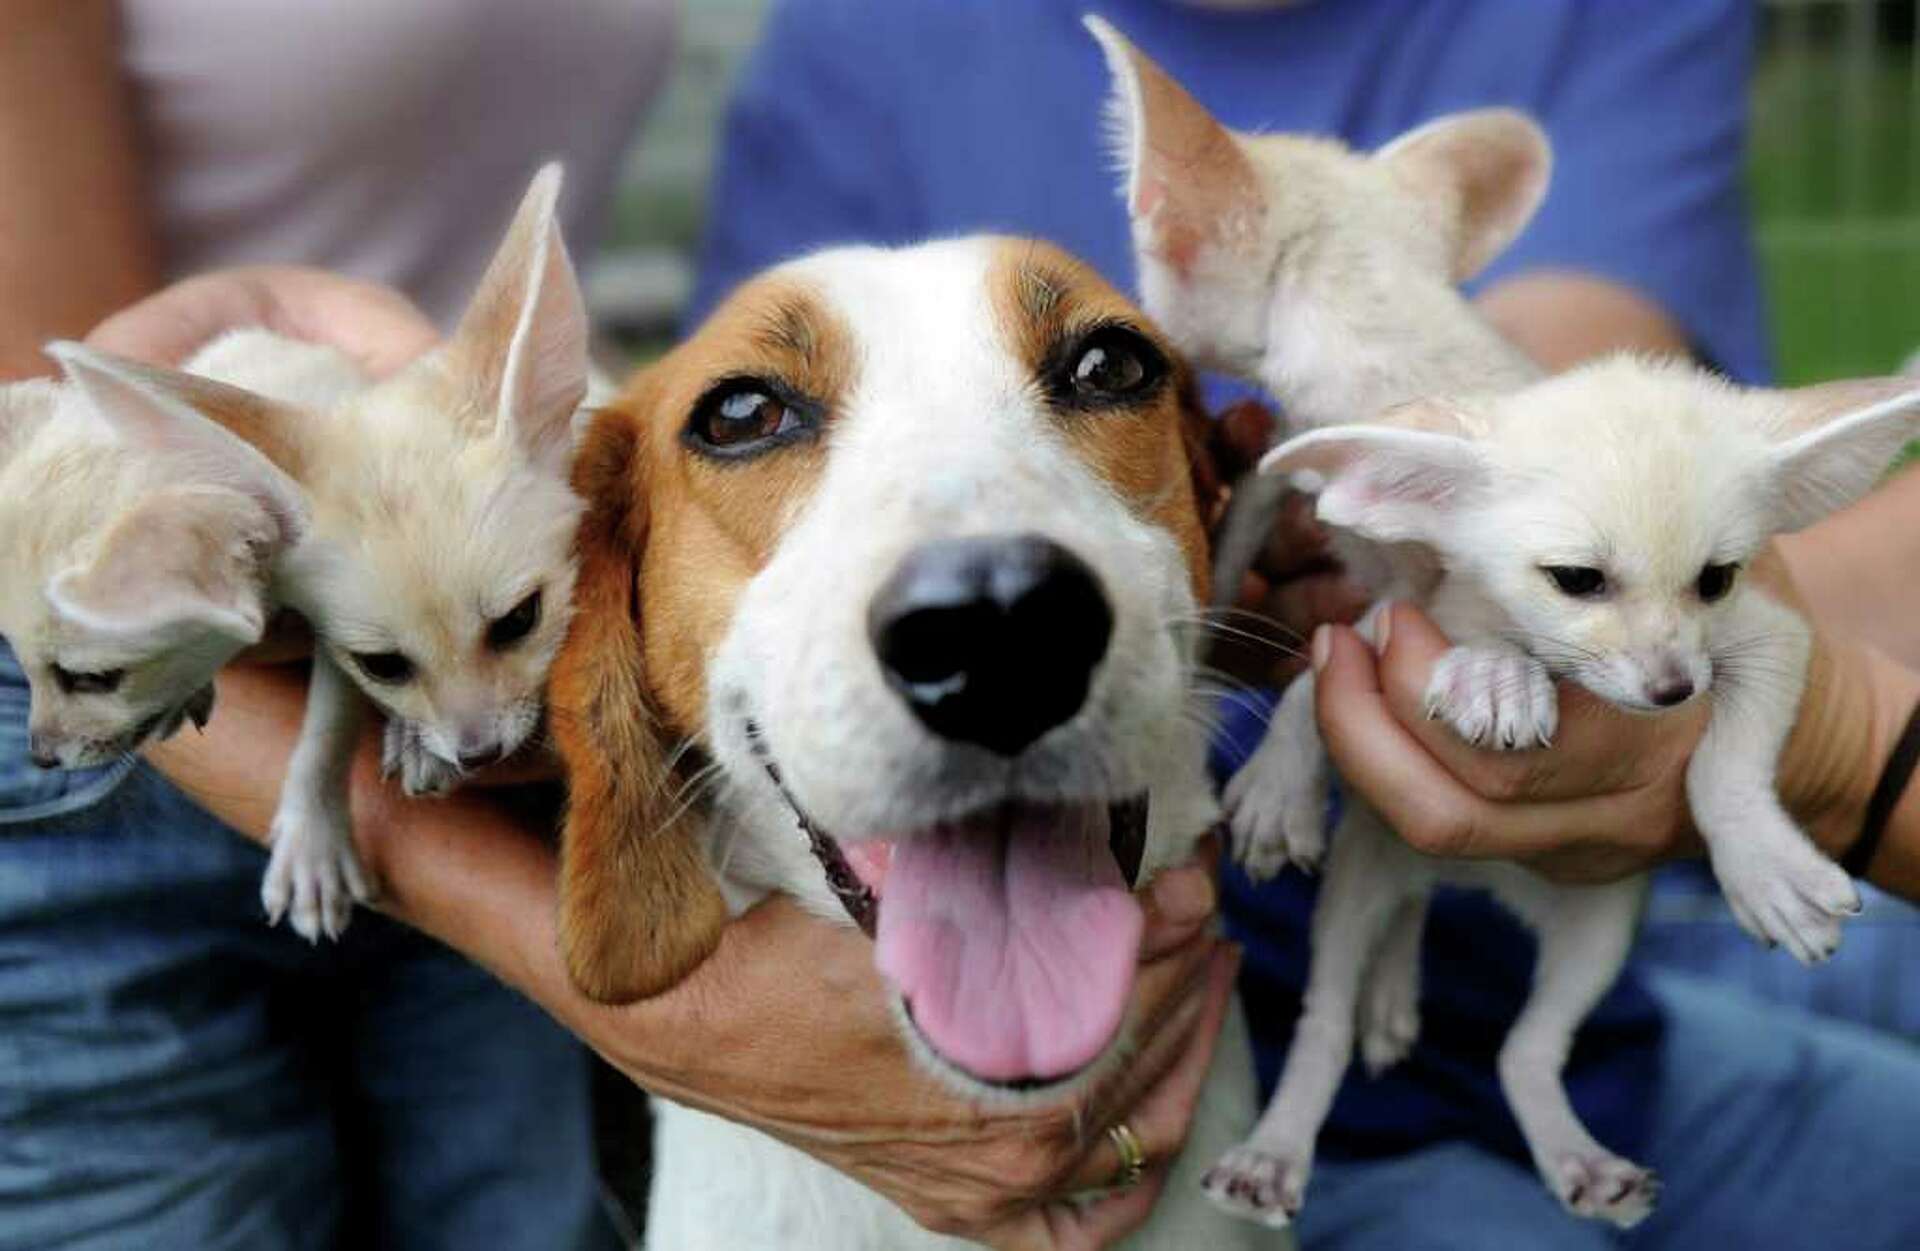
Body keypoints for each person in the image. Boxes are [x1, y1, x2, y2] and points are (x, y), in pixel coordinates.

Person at [110, 266, 1920, 1250]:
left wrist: (1842, 746)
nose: (984, 568)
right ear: (619, 632)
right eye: (756, 415)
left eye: (1100, 375)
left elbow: (1611, 353)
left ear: (1233, 531)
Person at [683, 0, 1920, 1245]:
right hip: (1320, 1035)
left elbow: (1569, 472)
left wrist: (1839, 756)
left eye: (1107, 375)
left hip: (1561, 981)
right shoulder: (858, 44)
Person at [0, 3, 671, 1247]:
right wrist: (663, 1007)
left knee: (519, 1217)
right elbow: (46, 393)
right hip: (155, 655)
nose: (472, 722)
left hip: (419, 543)